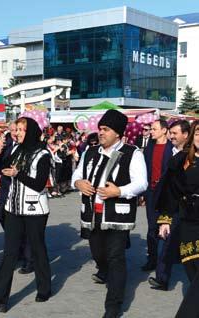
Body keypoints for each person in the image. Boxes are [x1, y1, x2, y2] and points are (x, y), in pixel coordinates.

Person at [71, 110, 147, 318]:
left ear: (118, 134)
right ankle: (104, 271)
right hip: (92, 214)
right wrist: (78, 182)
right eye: (100, 129)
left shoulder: (133, 153)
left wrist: (119, 191)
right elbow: (77, 173)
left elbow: (141, 182)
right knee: (98, 253)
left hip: (117, 215)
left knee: (116, 257)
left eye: (106, 129)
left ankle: (113, 305)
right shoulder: (90, 151)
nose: (101, 133)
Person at [0, 117, 52, 312]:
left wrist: (17, 174)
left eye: (22, 129)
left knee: (38, 249)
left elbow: (39, 184)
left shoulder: (42, 154)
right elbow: (1, 171)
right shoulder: (16, 150)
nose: (18, 133)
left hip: (34, 210)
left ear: (30, 131)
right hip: (13, 208)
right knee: (9, 252)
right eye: (17, 129)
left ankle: (44, 288)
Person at [157, 121, 199, 317]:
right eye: (198, 133)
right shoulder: (181, 160)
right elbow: (170, 192)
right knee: (192, 273)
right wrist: (165, 220)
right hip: (189, 223)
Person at [142, 120, 173, 281]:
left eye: (154, 129)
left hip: (167, 194)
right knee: (151, 228)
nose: (150, 131)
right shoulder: (149, 148)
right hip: (151, 193)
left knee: (165, 229)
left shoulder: (171, 148)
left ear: (163, 130)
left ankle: (164, 267)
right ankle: (151, 259)